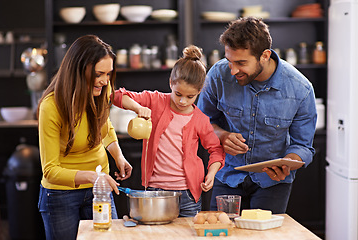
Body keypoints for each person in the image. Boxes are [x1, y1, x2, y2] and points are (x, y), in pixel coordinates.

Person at [197, 17, 317, 214]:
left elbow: (303, 146)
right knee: (220, 233)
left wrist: (288, 162)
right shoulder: (218, 75)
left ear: (265, 55)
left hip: (272, 183)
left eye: (241, 63)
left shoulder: (300, 89)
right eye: (229, 61)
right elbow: (201, 122)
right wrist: (221, 135)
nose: (233, 70)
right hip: (228, 175)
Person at [37, 35, 133, 240]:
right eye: (100, 74)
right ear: (79, 71)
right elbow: (50, 170)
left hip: (99, 189)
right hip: (61, 194)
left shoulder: (99, 93)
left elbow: (105, 128)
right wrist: (94, 177)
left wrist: (118, 156)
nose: (106, 81)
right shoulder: (51, 107)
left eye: (108, 74)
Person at [111, 45, 225, 217]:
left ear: (199, 91)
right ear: (171, 83)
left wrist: (211, 173)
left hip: (188, 195)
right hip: (155, 192)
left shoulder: (200, 119)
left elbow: (216, 150)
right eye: (178, 94)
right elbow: (118, 96)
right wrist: (137, 108)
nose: (183, 101)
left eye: (190, 96)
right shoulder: (155, 100)